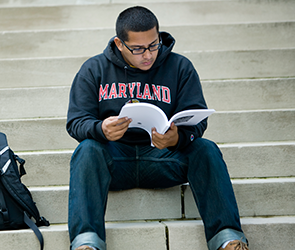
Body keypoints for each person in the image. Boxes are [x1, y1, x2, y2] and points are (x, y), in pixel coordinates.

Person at [66, 6, 249, 250]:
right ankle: (86, 243)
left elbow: (198, 119)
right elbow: (76, 122)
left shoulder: (180, 67)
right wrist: (101, 129)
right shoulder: (94, 69)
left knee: (206, 149)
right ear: (120, 44)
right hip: (114, 162)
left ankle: (228, 239)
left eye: (154, 45)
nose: (148, 55)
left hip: (164, 158)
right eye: (138, 49)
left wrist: (176, 138)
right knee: (86, 150)